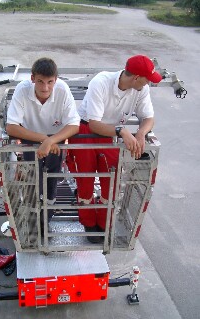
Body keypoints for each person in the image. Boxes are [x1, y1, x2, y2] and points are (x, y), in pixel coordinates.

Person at [67, 54, 162, 243]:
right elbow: (94, 124)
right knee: (85, 180)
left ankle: (104, 223)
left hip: (111, 135)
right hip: (86, 130)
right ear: (136, 77)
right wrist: (122, 131)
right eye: (147, 79)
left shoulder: (141, 89)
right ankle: (88, 221)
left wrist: (141, 133)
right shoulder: (101, 82)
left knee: (110, 181)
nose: (148, 83)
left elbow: (149, 117)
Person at [6, 57, 80, 227]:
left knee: (52, 176)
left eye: (50, 82)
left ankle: (47, 215)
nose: (45, 87)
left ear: (56, 80)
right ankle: (34, 214)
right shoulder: (22, 90)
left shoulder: (62, 89)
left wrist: (51, 140)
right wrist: (44, 140)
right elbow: (11, 127)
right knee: (33, 176)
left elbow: (74, 125)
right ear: (32, 78)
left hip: (56, 139)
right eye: (40, 81)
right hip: (31, 137)